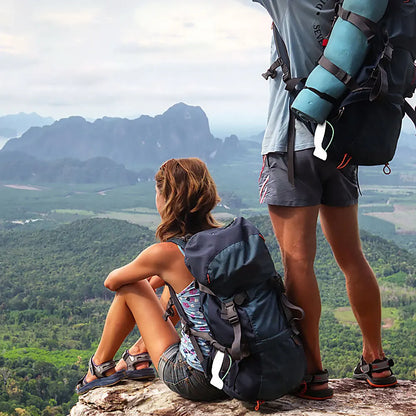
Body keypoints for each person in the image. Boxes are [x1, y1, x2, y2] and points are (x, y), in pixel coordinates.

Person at [254, 0, 397, 400]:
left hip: (292, 145)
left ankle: (313, 372)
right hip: (340, 145)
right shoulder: (359, 5)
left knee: (297, 261)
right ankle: (376, 360)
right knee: (352, 257)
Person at [76, 157, 227, 402]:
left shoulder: (166, 254)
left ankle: (99, 366)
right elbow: (179, 278)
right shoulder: (225, 239)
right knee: (177, 287)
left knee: (132, 285)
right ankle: (139, 352)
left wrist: (150, 280)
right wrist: (162, 278)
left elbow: (112, 282)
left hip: (198, 379)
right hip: (238, 369)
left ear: (167, 199)